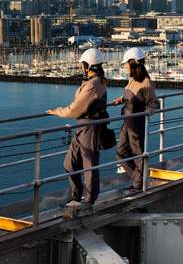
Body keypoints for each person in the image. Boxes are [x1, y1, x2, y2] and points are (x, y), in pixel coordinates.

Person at [46, 48, 110, 208]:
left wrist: (57, 111)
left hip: (89, 127)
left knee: (89, 164)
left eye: (83, 64)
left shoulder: (93, 84)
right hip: (83, 126)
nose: (81, 67)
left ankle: (88, 200)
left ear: (88, 65)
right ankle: (77, 195)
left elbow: (75, 108)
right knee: (70, 163)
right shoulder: (95, 81)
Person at [110, 47, 159, 194]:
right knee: (121, 152)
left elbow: (154, 103)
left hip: (136, 122)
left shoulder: (146, 82)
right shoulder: (132, 80)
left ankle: (138, 185)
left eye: (126, 63)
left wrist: (147, 111)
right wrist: (121, 99)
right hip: (127, 121)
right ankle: (138, 179)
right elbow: (131, 96)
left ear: (133, 63)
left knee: (138, 154)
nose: (124, 66)